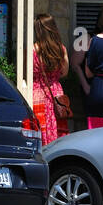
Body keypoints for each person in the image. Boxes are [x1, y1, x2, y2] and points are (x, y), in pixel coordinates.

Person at [31, 13, 70, 144]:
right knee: (58, 130)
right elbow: (64, 72)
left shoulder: (32, 49)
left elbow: (27, 73)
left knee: (39, 132)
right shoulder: (61, 49)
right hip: (56, 94)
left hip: (37, 93)